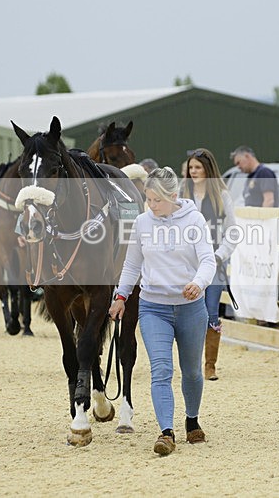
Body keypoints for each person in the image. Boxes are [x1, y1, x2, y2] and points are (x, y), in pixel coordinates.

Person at [109, 166, 216, 456]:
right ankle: (166, 432)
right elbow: (132, 264)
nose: (152, 205)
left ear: (173, 196)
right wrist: (121, 296)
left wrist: (198, 283)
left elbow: (208, 260)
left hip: (191, 308)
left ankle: (192, 419)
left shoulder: (194, 220)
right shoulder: (142, 223)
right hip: (153, 307)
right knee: (161, 369)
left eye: (157, 200)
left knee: (191, 371)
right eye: (148, 199)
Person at [181, 148, 237, 381]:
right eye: (191, 168)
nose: (194, 172)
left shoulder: (221, 196)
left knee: (211, 311)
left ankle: (209, 365)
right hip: (185, 263)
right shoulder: (182, 194)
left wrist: (219, 256)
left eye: (198, 167)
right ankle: (191, 363)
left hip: (213, 262)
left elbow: (232, 232)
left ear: (208, 169)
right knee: (188, 313)